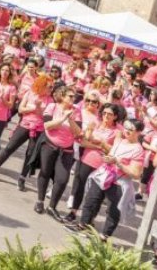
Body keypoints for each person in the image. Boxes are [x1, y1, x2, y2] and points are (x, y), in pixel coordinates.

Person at [67, 119, 145, 240]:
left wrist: (118, 163)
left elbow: (135, 173)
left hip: (119, 182)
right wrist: (107, 157)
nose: (127, 131)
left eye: (131, 129)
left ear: (138, 132)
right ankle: (83, 225)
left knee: (113, 210)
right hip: (103, 175)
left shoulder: (138, 150)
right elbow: (109, 151)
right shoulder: (120, 140)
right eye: (126, 128)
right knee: (91, 200)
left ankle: (104, 236)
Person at [34, 85, 82, 220]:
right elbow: (47, 126)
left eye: (74, 96)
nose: (74, 98)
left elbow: (78, 133)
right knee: (45, 172)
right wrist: (62, 119)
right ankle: (40, 201)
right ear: (62, 96)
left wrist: (71, 119)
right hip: (49, 145)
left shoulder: (76, 111)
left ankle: (52, 207)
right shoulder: (52, 107)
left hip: (66, 149)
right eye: (70, 96)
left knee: (62, 179)